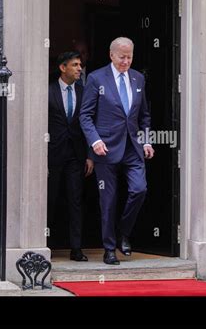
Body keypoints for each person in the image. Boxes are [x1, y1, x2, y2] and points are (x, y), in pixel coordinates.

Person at [80, 37, 155, 265]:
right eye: (122, 57)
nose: (126, 61)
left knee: (139, 189)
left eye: (129, 56)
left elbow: (144, 116)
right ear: (111, 55)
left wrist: (147, 141)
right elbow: (85, 115)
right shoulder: (96, 78)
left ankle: (124, 231)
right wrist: (95, 142)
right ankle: (109, 248)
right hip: (106, 148)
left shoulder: (138, 78)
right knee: (108, 200)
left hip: (133, 147)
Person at [48, 51, 94, 262]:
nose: (79, 68)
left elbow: (90, 124)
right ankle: (44, 246)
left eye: (80, 65)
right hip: (52, 155)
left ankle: (76, 249)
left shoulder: (84, 92)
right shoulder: (48, 90)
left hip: (76, 155)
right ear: (62, 67)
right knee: (50, 199)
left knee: (76, 201)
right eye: (75, 65)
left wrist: (90, 156)